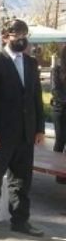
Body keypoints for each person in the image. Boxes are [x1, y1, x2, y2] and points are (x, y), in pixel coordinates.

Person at [0, 19, 45, 239]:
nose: (22, 38)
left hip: (25, 134)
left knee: (22, 181)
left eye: (25, 34)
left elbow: (36, 97)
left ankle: (20, 220)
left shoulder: (31, 63)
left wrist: (39, 128)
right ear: (5, 36)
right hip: (0, 135)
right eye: (17, 34)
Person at [53, 46, 66, 183]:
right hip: (60, 110)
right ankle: (58, 173)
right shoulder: (56, 70)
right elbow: (55, 91)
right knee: (60, 139)